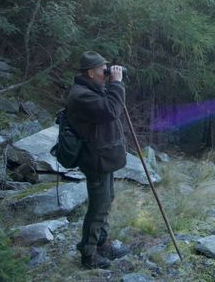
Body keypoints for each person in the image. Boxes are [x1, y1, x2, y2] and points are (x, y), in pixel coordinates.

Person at [67, 51, 131, 269]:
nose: (106, 73)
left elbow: (110, 106)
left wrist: (114, 84)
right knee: (98, 207)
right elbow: (111, 110)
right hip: (95, 159)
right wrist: (117, 84)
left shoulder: (91, 89)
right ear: (90, 72)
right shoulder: (81, 95)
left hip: (102, 157)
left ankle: (101, 243)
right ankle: (89, 254)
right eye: (102, 70)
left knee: (106, 201)